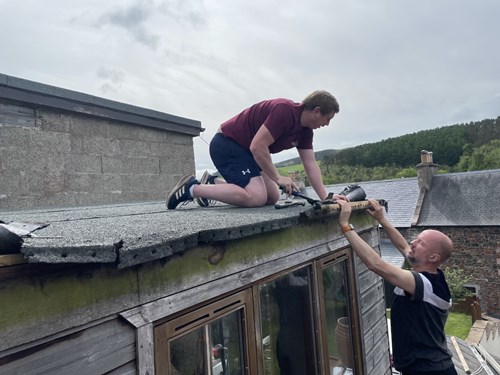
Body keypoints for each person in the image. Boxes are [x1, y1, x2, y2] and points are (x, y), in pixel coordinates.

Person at [167, 90, 348, 209]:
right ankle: (192, 189)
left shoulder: (305, 132)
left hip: (248, 152)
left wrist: (326, 197)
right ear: (317, 111)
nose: (327, 124)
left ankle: (212, 183)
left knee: (272, 196)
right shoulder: (284, 111)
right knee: (256, 197)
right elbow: (258, 146)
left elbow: (310, 164)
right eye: (328, 118)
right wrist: (277, 177)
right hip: (227, 144)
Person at [337, 199, 457, 375]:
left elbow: (376, 264)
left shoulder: (423, 284)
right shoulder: (432, 274)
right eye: (417, 238)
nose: (414, 242)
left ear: (433, 258)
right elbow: (403, 246)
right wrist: (381, 219)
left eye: (421, 243)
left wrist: (345, 225)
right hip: (422, 367)